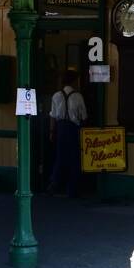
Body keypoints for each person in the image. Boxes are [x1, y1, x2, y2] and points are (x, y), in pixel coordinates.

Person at [48, 69, 88, 197]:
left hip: (60, 128)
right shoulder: (78, 96)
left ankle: (54, 184)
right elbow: (84, 116)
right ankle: (72, 189)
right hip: (72, 128)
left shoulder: (56, 96)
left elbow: (53, 116)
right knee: (74, 158)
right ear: (75, 81)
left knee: (60, 157)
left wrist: (51, 132)